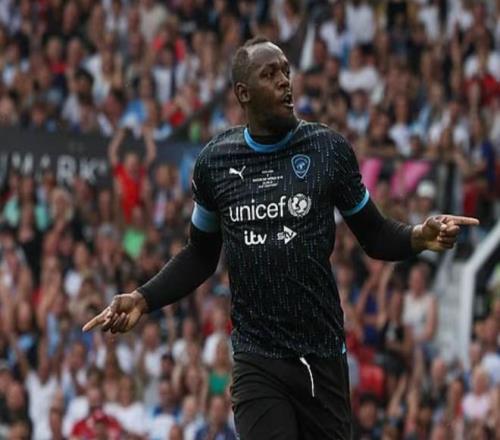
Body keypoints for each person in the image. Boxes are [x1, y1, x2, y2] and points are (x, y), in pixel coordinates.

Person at [83, 37, 479, 439]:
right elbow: (200, 255)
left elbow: (374, 235)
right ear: (243, 93)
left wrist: (418, 236)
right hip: (257, 358)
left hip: (321, 355)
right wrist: (144, 298)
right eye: (270, 74)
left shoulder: (327, 150)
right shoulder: (215, 164)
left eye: (286, 71)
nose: (284, 81)